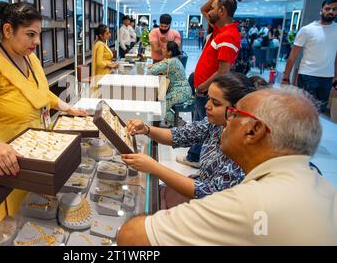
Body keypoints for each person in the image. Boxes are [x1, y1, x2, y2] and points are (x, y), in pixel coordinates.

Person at [117, 86, 337, 246]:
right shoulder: (321, 186)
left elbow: (132, 237)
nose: (227, 122)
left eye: (234, 115)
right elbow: (180, 135)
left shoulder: (246, 202)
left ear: (253, 131)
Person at [0, 1, 87, 238]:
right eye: (30, 34)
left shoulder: (30, 59)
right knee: (14, 224)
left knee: (35, 216)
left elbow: (40, 93)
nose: (37, 42)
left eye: (38, 34)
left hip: (36, 153)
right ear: (8, 31)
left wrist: (67, 108)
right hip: (9, 160)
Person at [124, 73, 261, 208]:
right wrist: (146, 129)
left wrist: (155, 168)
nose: (207, 105)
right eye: (208, 99)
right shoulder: (215, 124)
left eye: (216, 103)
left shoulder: (243, 151)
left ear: (235, 110)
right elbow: (179, 135)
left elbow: (208, 193)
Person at [183, 0, 242, 168]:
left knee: (205, 126)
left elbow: (223, 72)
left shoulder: (229, 36)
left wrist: (202, 87)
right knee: (199, 123)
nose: (209, 11)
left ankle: (198, 159)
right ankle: (194, 157)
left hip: (209, 91)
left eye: (214, 7)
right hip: (203, 89)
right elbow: (203, 9)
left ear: (222, 11)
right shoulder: (219, 30)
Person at [282, 0, 337, 113]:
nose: (331, 11)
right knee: (305, 110)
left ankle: (312, 131)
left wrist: (335, 76)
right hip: (308, 75)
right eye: (328, 8)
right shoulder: (307, 30)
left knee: (320, 111)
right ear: (321, 10)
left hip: (327, 77)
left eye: (334, 9)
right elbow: (293, 56)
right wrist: (286, 77)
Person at [147, 41, 194, 125]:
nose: (162, 49)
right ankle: (176, 122)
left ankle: (182, 125)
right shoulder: (175, 60)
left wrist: (154, 65)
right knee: (162, 103)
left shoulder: (170, 62)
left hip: (180, 92)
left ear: (169, 52)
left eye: (164, 49)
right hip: (184, 91)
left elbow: (153, 71)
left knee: (162, 107)